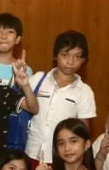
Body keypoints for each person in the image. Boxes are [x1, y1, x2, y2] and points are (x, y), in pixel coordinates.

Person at [26, 32, 96, 162]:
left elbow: (83, 131)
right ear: (55, 55)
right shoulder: (38, 79)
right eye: (65, 55)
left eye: (77, 56)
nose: (70, 61)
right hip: (30, 152)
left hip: (61, 158)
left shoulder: (85, 92)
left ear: (83, 60)